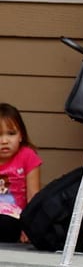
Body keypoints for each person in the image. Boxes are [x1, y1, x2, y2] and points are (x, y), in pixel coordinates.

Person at [0, 103, 42, 243]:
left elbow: (33, 196)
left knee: (5, 224)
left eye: (11, 134)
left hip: (15, 217)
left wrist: (29, 228)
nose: (4, 141)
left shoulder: (27, 156)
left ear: (21, 135)